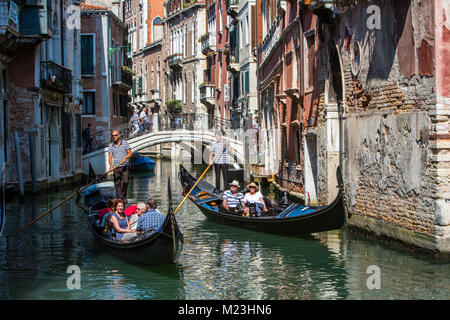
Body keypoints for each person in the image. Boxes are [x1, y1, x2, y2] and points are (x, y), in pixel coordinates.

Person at [108, 130, 132, 202]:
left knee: (126, 182)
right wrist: (111, 166)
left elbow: (130, 153)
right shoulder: (110, 146)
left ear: (119, 135)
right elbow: (110, 157)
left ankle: (123, 195)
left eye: (115, 135)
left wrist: (125, 158)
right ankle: (120, 199)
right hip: (116, 167)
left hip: (125, 167)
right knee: (117, 184)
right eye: (113, 135)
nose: (114, 137)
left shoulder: (125, 144)